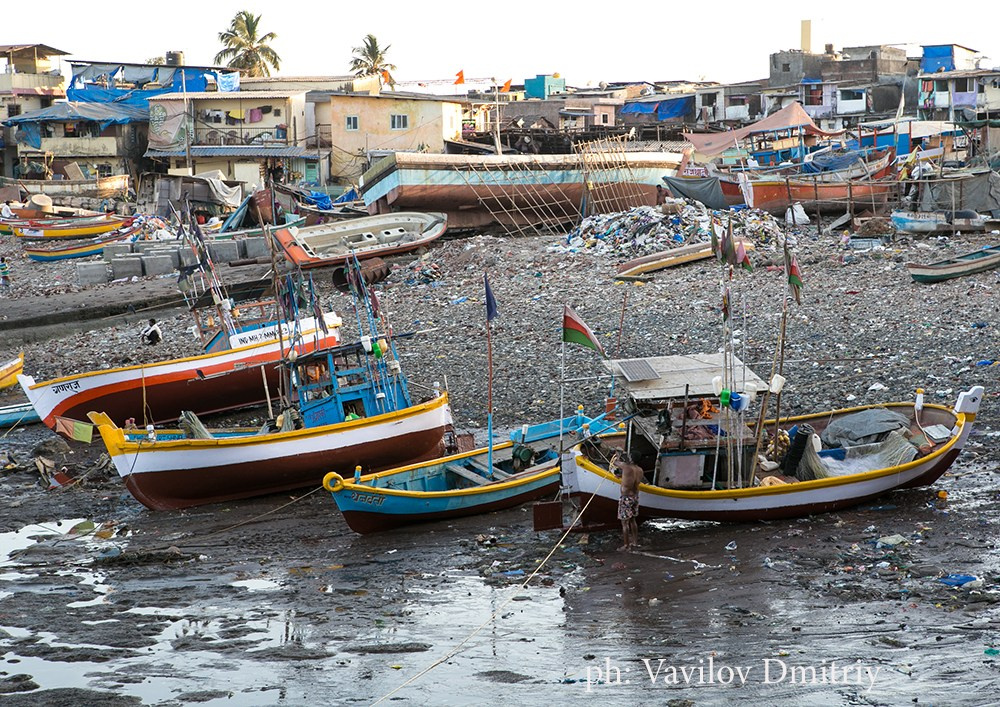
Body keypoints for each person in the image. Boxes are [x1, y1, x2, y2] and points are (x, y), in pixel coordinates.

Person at [612, 451, 642, 551]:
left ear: (631, 459)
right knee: (633, 520)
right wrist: (621, 477)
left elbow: (615, 462)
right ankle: (635, 542)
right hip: (635, 497)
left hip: (626, 497)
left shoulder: (626, 467)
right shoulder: (640, 470)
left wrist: (618, 455)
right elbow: (631, 479)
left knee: (624, 523)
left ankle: (626, 545)